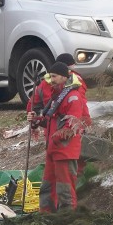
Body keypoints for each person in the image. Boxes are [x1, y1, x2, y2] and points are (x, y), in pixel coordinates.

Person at [27, 62, 86, 213]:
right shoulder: (58, 96)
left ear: (63, 77)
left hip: (64, 151)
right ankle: (46, 217)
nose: (51, 80)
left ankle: (66, 220)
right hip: (53, 150)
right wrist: (36, 120)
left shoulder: (73, 97)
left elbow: (73, 126)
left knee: (64, 189)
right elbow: (52, 123)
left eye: (54, 76)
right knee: (47, 187)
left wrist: (54, 138)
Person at [26, 53, 91, 175]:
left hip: (52, 128)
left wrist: (34, 123)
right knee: (72, 167)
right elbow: (81, 108)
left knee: (54, 168)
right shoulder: (75, 82)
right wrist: (86, 123)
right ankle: (78, 183)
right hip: (67, 130)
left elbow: (32, 104)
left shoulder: (45, 81)